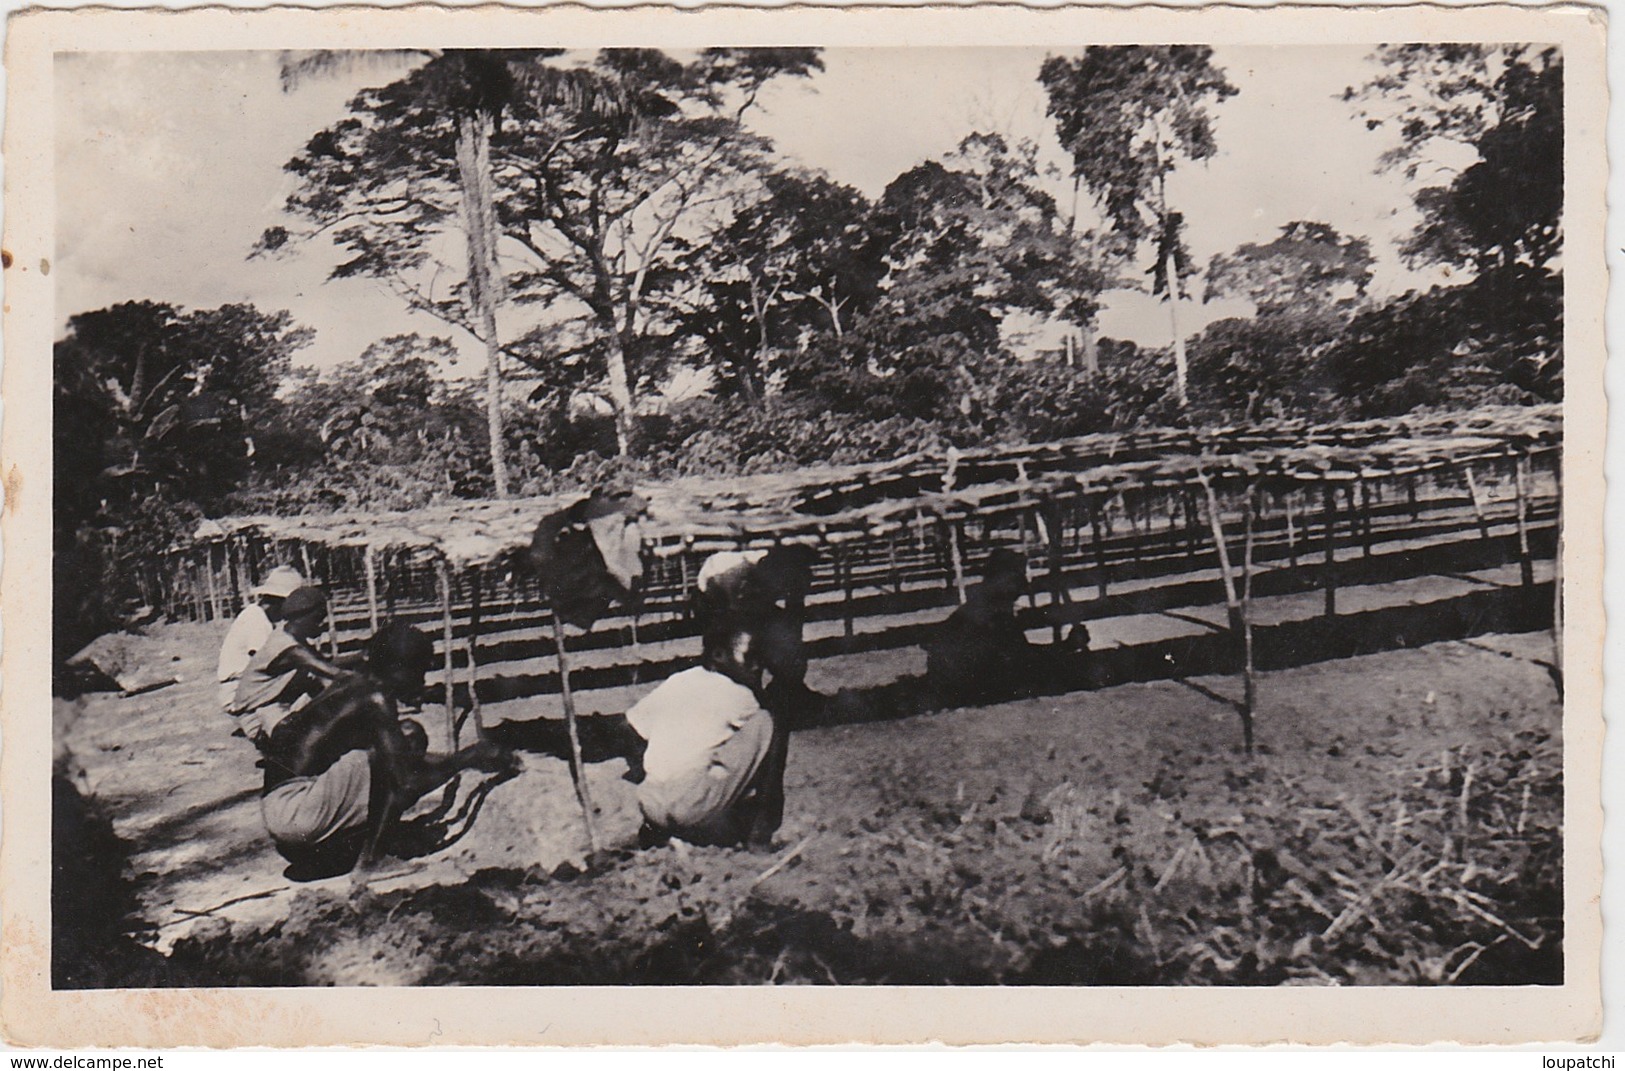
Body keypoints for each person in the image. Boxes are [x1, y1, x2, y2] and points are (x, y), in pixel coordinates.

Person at [257, 622, 517, 879]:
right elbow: (405, 782)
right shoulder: (376, 698)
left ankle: (343, 848)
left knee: (401, 741)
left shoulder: (352, 684)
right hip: (296, 814)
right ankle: (372, 862)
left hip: (281, 813)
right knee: (396, 753)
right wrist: (466, 759)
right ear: (398, 668)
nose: (421, 681)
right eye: (419, 672)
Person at [625, 627, 786, 852]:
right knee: (768, 722)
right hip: (692, 808)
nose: (757, 666)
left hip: (651, 804)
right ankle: (760, 835)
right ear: (718, 656)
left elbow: (632, 729)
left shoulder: (679, 680)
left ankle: (656, 831)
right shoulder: (742, 696)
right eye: (749, 658)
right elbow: (755, 752)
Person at [228, 585, 345, 746]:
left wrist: (362, 656)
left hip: (275, 704)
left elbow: (327, 664)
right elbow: (333, 672)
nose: (322, 624)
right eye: (318, 618)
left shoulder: (290, 635)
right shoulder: (288, 648)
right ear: (302, 617)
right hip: (258, 716)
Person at [216, 565, 304, 711]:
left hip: (244, 688)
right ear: (281, 601)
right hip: (237, 691)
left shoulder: (260, 617)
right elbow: (266, 661)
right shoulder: (256, 619)